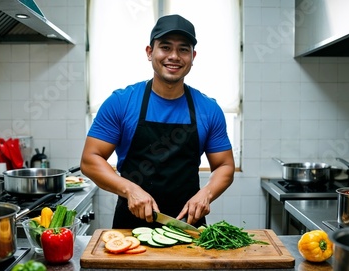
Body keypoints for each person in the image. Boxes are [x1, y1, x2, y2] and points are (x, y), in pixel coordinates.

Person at [80, 14, 235, 229]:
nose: (174, 56)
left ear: (193, 56)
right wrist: (129, 189)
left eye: (183, 49)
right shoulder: (121, 102)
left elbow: (225, 165)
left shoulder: (209, 109)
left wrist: (206, 194)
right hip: (131, 228)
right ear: (150, 52)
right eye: (165, 47)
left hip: (188, 226)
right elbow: (90, 159)